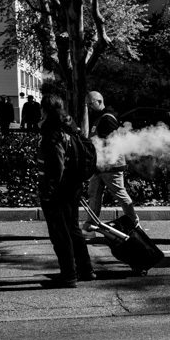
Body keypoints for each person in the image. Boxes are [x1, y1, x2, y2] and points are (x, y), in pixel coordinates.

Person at [37, 93, 94, 287]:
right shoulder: (70, 127)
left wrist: (48, 191)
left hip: (59, 190)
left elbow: (56, 165)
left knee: (60, 233)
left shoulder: (52, 132)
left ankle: (69, 275)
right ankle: (85, 269)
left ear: (46, 109)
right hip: (74, 186)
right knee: (72, 228)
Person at [84, 91, 139, 233]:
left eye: (91, 103)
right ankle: (90, 224)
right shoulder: (102, 117)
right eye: (88, 104)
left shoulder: (107, 118)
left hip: (110, 164)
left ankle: (133, 221)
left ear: (100, 101)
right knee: (94, 193)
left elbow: (109, 143)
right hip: (102, 164)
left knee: (118, 193)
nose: (89, 107)